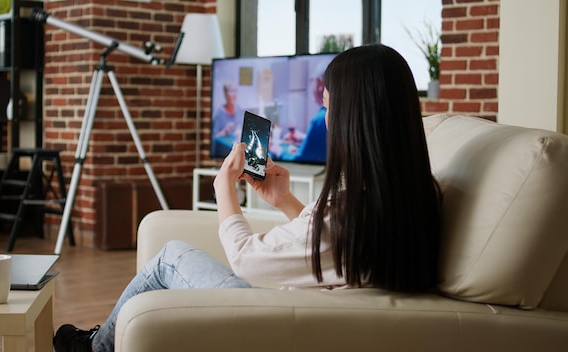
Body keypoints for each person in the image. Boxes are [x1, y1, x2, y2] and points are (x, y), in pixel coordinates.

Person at [53, 44, 442, 352]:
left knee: (171, 256)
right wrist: (286, 201)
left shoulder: (347, 215)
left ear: (352, 117)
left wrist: (224, 188)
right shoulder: (416, 195)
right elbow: (336, 251)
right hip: (322, 314)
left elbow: (247, 260)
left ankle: (94, 347)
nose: (326, 119)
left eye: (328, 106)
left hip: (287, 320)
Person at [288, 59, 329, 163]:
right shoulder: (332, 114)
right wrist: (304, 138)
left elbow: (300, 159)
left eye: (312, 81)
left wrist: (277, 150)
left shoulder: (320, 119)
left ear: (321, 85)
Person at [211, 83, 244, 156]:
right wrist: (225, 131)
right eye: (231, 91)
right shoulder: (219, 114)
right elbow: (213, 138)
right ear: (225, 94)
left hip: (237, 153)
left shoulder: (238, 109)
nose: (234, 94)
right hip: (224, 153)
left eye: (235, 91)